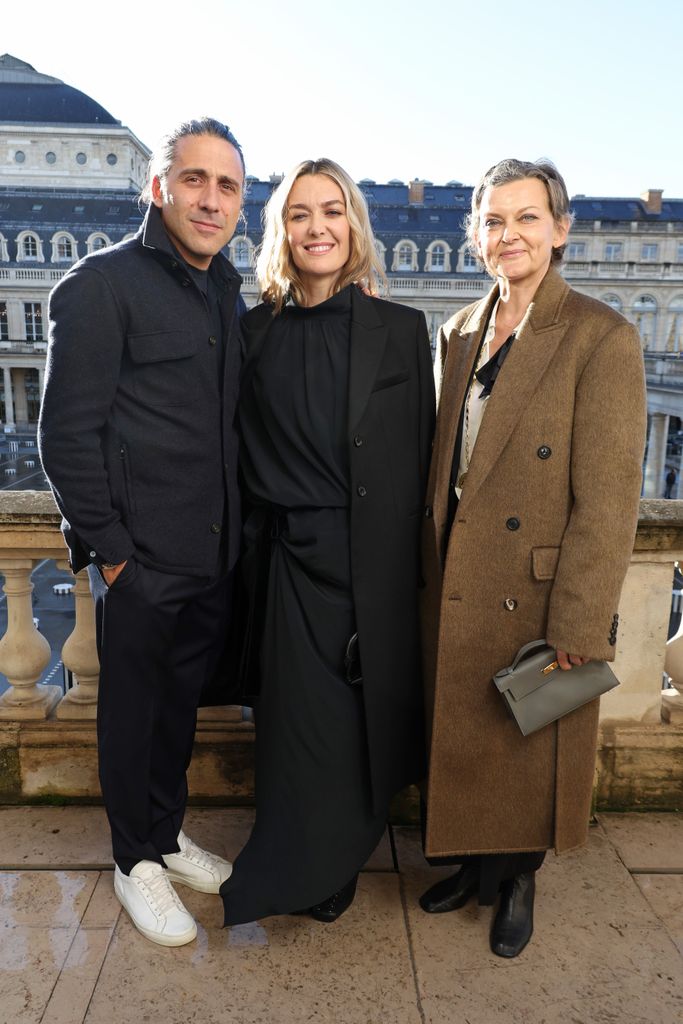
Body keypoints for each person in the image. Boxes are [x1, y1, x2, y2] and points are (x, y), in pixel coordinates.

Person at [419, 158, 646, 957]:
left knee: (526, 743)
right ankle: (476, 868)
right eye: (492, 220)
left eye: (525, 218)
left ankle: (517, 879)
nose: (507, 235)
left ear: (559, 229)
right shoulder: (457, 331)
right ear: (475, 235)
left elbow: (609, 497)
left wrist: (581, 616)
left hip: (536, 586)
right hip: (457, 576)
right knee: (472, 732)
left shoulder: (599, 335)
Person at [38, 118, 247, 947]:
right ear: (157, 187)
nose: (209, 198)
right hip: (142, 562)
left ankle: (165, 835)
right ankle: (134, 865)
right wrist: (115, 555)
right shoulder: (101, 284)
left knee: (177, 715)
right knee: (131, 716)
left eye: (227, 185)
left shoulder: (226, 291)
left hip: (210, 556)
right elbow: (65, 435)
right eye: (193, 179)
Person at [220, 158, 435, 925]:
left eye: (333, 211)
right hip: (283, 563)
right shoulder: (252, 332)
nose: (318, 228)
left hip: (365, 562)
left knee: (355, 727)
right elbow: (233, 449)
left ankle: (341, 858)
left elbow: (419, 456)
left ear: (354, 226)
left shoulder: (401, 330)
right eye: (301, 214)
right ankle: (297, 866)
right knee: (292, 729)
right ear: (282, 230)